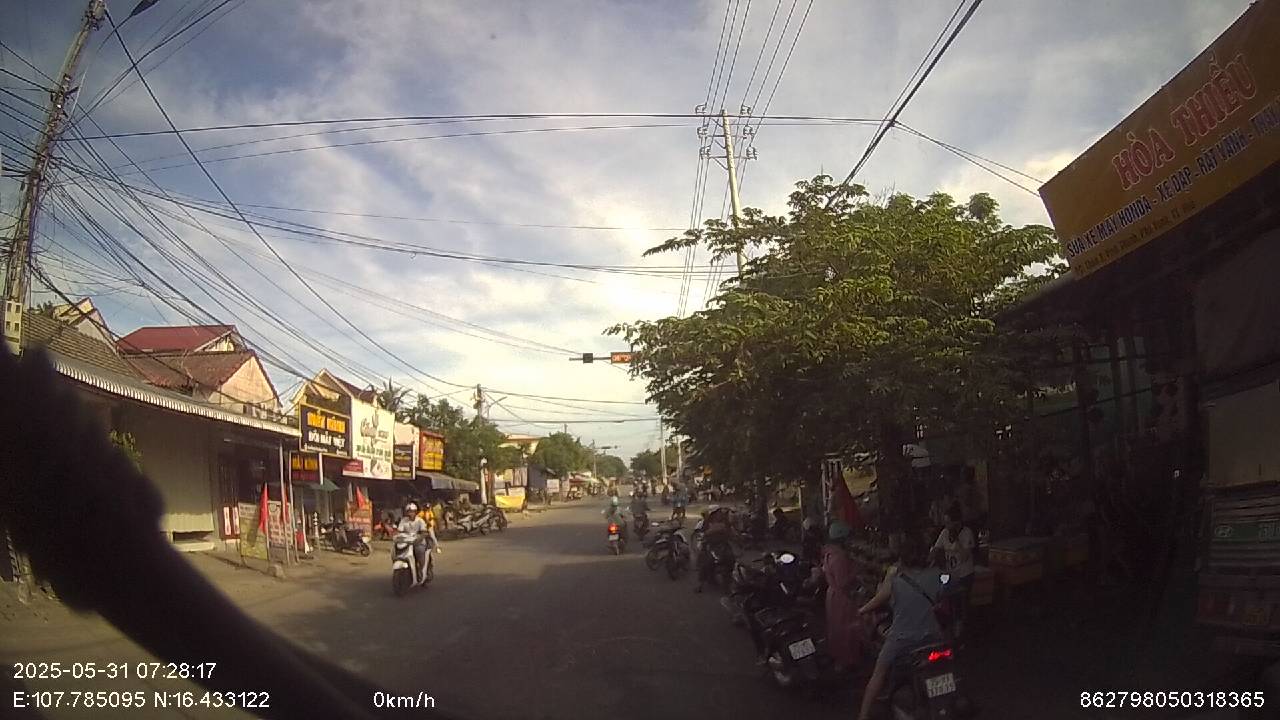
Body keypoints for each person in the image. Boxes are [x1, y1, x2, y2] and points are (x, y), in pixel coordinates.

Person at [857, 535, 944, 720]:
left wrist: (861, 610)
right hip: (933, 636)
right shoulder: (937, 575)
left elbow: (880, 598)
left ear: (902, 557)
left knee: (878, 673)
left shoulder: (896, 579)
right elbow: (949, 587)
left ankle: (863, 716)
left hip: (902, 639)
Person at [815, 521, 863, 672]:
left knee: (836, 627)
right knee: (845, 629)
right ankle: (847, 660)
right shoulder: (839, 557)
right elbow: (843, 582)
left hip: (833, 595)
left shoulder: (829, 554)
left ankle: (839, 658)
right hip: (842, 597)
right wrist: (856, 571)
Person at [931, 504, 975, 639]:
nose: (947, 526)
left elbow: (965, 556)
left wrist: (957, 540)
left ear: (957, 522)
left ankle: (961, 632)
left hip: (964, 575)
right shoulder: (945, 533)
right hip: (950, 574)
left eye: (949, 522)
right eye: (946, 523)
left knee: (960, 602)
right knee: (944, 598)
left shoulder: (967, 533)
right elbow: (936, 549)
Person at [694, 505, 735, 593]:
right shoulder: (706, 522)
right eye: (716, 512)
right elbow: (702, 534)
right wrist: (708, 534)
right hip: (710, 545)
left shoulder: (725, 521)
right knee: (705, 562)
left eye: (719, 512)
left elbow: (730, 532)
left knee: (730, 559)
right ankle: (700, 584)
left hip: (723, 545)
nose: (719, 514)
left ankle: (727, 584)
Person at [397, 502, 439, 582]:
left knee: (419, 551)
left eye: (412, 511)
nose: (410, 513)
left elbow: (424, 532)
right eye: (409, 511)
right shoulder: (403, 520)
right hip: (407, 542)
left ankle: (421, 570)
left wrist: (419, 538)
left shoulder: (420, 520)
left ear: (415, 512)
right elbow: (399, 531)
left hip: (418, 542)